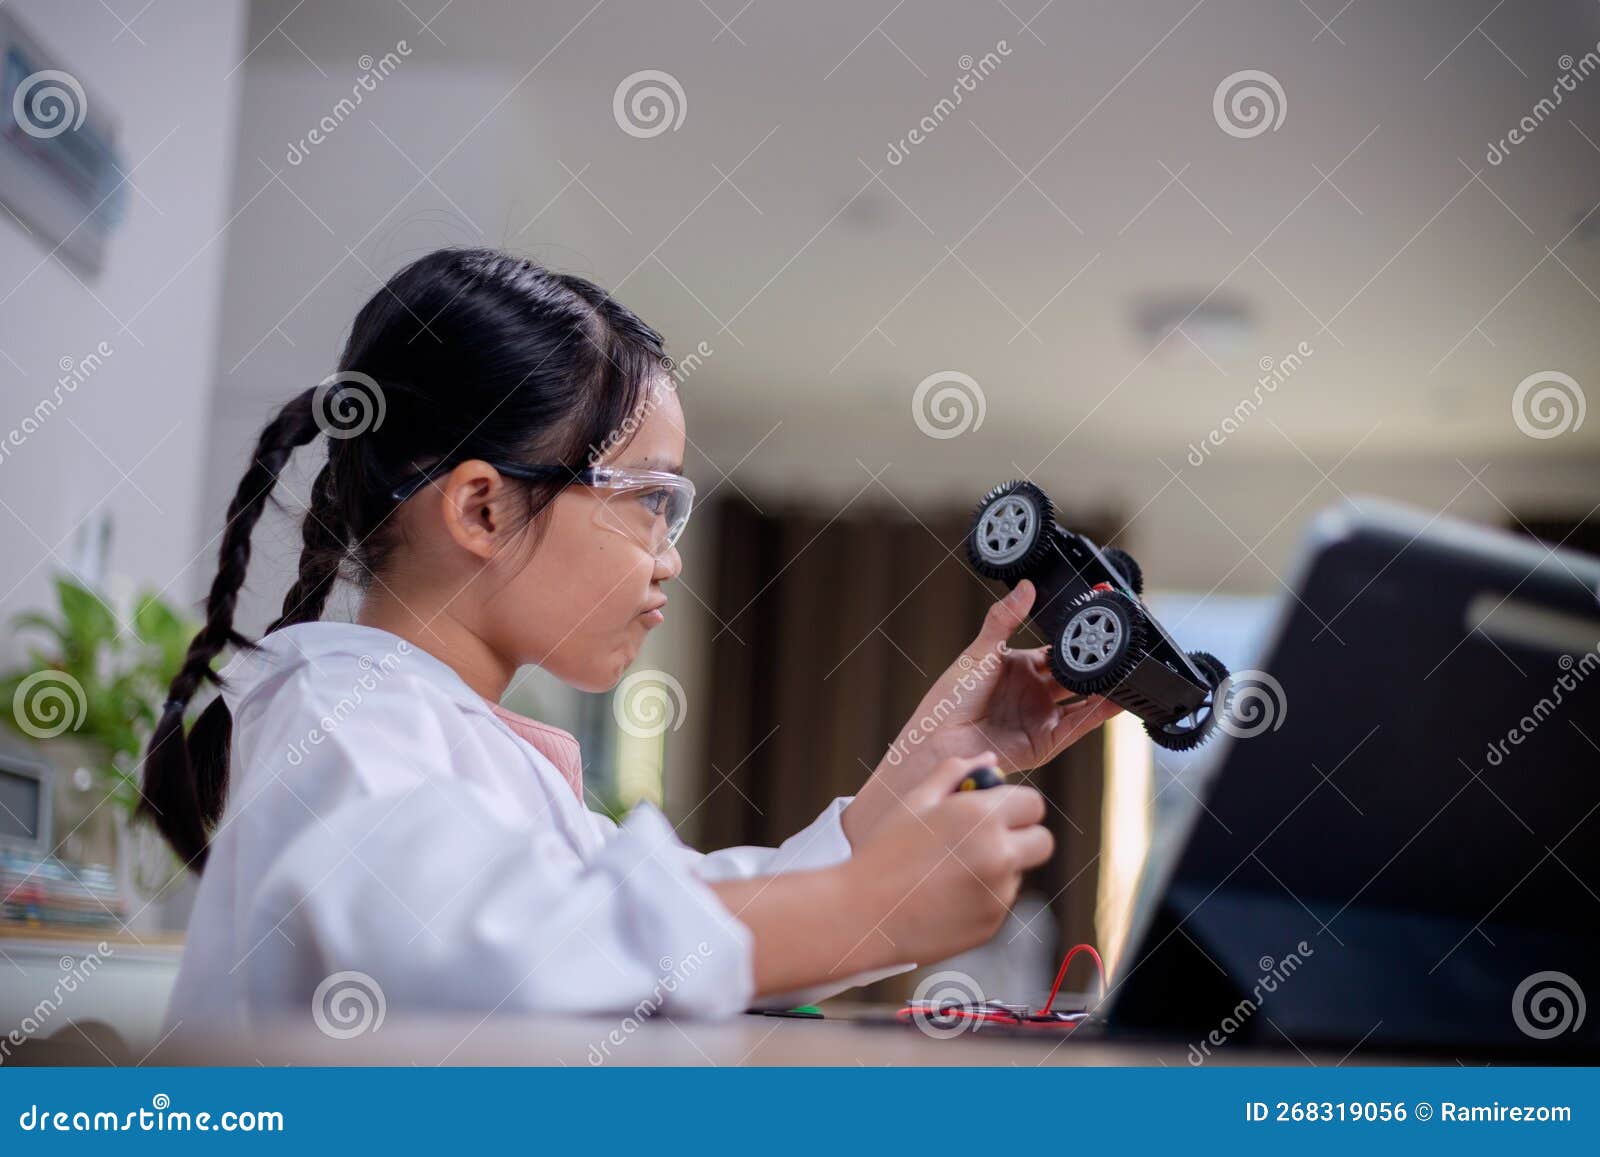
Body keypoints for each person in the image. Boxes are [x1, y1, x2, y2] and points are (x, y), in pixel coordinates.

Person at [141, 247, 1119, 1032]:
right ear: (481, 506)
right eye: (650, 502)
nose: (670, 559)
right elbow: (503, 953)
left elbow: (659, 909)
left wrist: (932, 768)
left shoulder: (444, 733)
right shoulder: (338, 720)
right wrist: (863, 902)